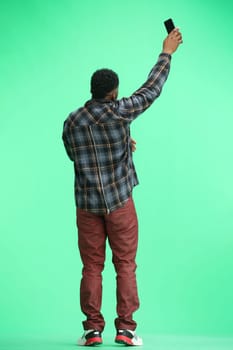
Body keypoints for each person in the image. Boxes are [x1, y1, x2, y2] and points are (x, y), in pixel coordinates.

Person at [62, 28, 182, 347]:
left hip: (87, 207)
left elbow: (75, 154)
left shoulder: (72, 120)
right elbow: (151, 90)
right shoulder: (120, 112)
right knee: (125, 264)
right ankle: (126, 330)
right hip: (120, 205)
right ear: (113, 94)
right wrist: (166, 52)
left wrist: (122, 143)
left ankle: (92, 330)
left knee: (91, 267)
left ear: (92, 91)